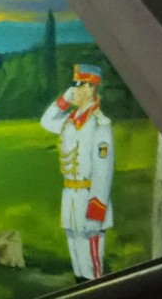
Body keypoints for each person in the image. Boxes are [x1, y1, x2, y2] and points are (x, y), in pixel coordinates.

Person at [40, 64, 115, 281]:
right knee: (77, 260)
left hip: (89, 198)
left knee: (92, 267)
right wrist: (63, 100)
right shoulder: (70, 121)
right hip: (71, 196)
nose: (74, 90)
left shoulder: (100, 124)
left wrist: (96, 212)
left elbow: (103, 173)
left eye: (79, 86)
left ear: (91, 88)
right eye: (73, 86)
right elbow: (46, 121)